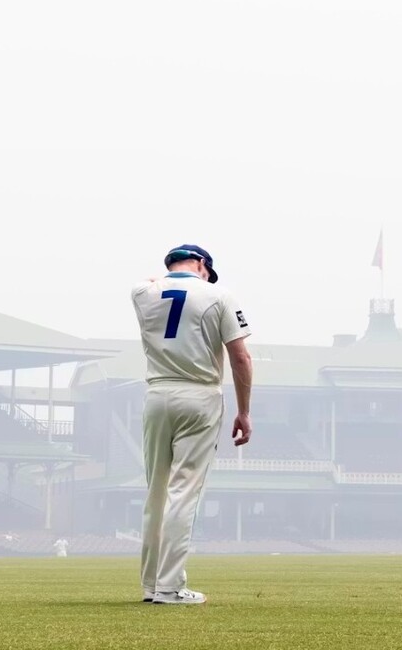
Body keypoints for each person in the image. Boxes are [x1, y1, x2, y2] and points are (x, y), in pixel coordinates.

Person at [133, 244, 253, 605]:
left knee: (156, 492)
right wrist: (244, 411)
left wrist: (167, 275)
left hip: (157, 394)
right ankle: (170, 587)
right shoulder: (218, 294)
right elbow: (240, 358)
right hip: (199, 395)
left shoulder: (142, 293)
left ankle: (152, 585)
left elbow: (155, 282)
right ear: (202, 264)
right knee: (183, 492)